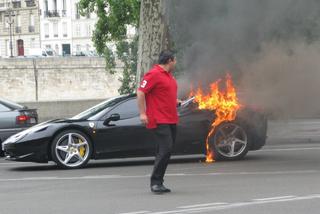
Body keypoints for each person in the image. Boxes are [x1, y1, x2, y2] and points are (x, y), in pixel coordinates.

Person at [137, 50, 180, 194]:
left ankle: (159, 182)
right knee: (166, 149)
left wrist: (175, 102)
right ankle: (155, 183)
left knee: (166, 150)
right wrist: (143, 113)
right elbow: (141, 92)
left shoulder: (169, 76)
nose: (176, 62)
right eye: (175, 60)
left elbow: (163, 95)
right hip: (159, 119)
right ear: (169, 61)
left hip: (171, 118)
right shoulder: (154, 74)